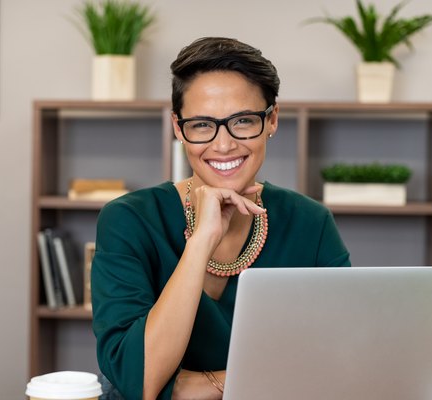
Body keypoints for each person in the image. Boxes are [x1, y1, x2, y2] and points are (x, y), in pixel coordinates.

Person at [91, 37, 351, 400]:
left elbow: (340, 358)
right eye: (201, 125)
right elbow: (141, 380)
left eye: (243, 121)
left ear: (272, 119)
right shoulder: (128, 220)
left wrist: (194, 386)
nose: (224, 144)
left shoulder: (311, 222)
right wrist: (201, 242)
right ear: (179, 129)